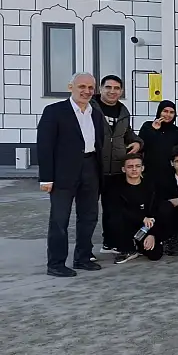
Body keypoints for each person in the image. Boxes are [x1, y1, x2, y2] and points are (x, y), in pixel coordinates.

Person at [38, 72, 105, 277]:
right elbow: (44, 146)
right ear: (71, 87)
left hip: (90, 168)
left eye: (90, 87)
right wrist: (46, 178)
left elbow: (100, 143)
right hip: (63, 173)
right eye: (82, 87)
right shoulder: (54, 111)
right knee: (60, 219)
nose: (87, 91)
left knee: (89, 216)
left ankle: (82, 257)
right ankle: (56, 264)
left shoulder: (96, 113)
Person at [92, 74, 143, 253]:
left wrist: (137, 142)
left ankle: (110, 242)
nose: (112, 91)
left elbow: (127, 133)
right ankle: (85, 251)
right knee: (88, 212)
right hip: (94, 167)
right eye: (108, 87)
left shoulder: (123, 111)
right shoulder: (90, 107)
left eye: (116, 88)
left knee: (113, 209)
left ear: (121, 91)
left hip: (116, 169)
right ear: (100, 88)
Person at [108, 154, 165, 264]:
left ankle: (139, 246)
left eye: (137, 166)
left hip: (145, 227)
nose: (134, 169)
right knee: (116, 218)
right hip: (126, 226)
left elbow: (157, 212)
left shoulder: (150, 187)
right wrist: (142, 218)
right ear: (123, 169)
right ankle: (128, 249)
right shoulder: (116, 188)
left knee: (155, 255)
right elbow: (117, 210)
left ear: (142, 168)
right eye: (130, 166)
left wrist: (152, 234)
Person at [138, 100, 178, 179]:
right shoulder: (147, 126)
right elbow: (141, 147)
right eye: (165, 111)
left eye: (171, 112)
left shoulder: (177, 132)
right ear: (159, 112)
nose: (168, 115)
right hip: (148, 173)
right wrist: (153, 130)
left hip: (169, 175)